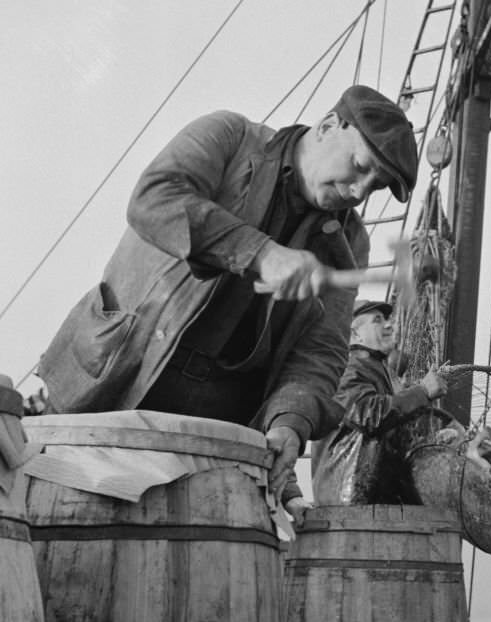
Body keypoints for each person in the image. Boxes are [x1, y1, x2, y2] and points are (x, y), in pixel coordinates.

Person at [36, 85, 417, 498]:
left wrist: (291, 420)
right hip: (109, 385)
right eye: (360, 166)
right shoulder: (228, 137)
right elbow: (154, 199)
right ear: (327, 126)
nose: (360, 191)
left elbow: (321, 350)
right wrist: (262, 253)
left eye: (375, 186)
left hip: (215, 429)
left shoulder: (349, 242)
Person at [283, 299, 447, 519]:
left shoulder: (380, 371)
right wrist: (422, 392)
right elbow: (367, 414)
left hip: (372, 504)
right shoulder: (346, 367)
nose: (389, 325)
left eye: (387, 319)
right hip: (350, 505)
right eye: (377, 321)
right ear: (354, 334)